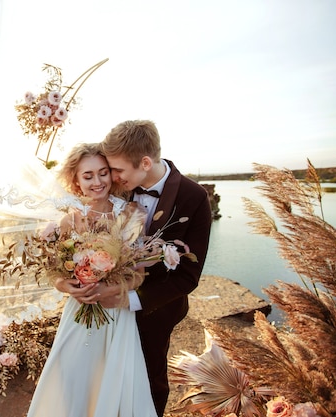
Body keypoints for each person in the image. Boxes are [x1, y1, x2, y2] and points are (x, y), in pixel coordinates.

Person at [59, 120, 212, 415]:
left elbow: (189, 276)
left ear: (144, 162)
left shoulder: (194, 198)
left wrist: (129, 298)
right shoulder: (118, 188)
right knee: (96, 378)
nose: (110, 177)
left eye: (115, 170)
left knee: (148, 381)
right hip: (97, 306)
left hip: (154, 308)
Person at [27, 143, 158, 417]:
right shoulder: (69, 219)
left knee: (114, 384)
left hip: (115, 313)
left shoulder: (131, 213)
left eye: (103, 173)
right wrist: (65, 285)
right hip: (78, 311)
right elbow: (54, 269)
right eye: (88, 176)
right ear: (75, 180)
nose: (97, 182)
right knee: (72, 378)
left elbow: (138, 275)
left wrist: (107, 289)